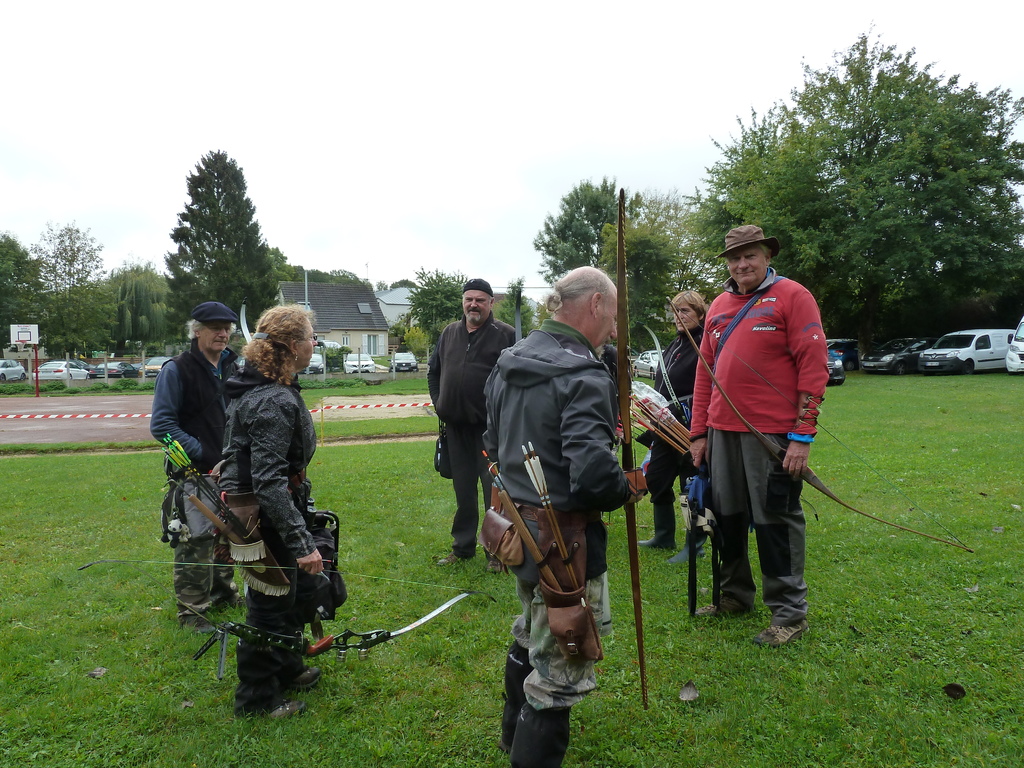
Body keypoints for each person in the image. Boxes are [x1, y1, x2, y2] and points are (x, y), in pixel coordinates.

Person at [483, 266, 646, 768]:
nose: (615, 328)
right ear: (595, 304)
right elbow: (594, 476)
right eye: (613, 315)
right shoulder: (584, 374)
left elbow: (491, 441)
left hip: (516, 531)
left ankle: (511, 736)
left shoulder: (509, 359)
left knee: (532, 626)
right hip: (563, 543)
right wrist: (630, 485)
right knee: (559, 672)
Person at [688, 225, 828, 647]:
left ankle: (789, 613)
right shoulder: (718, 305)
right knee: (726, 518)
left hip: (771, 434)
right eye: (734, 258)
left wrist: (802, 436)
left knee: (775, 522)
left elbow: (813, 366)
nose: (742, 264)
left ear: (767, 256)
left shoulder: (793, 296)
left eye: (750, 255)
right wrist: (698, 433)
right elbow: (705, 374)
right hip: (720, 433)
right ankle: (735, 596)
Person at [218, 304, 324, 719]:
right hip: (264, 515)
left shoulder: (265, 387)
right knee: (268, 604)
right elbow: (268, 482)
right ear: (293, 346)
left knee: (288, 594)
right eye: (311, 337)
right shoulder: (272, 400)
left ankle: (287, 666)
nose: (314, 344)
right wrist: (301, 543)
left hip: (268, 509)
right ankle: (257, 698)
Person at [151, 301, 241, 632]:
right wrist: (202, 452)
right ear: (197, 331)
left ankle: (224, 594)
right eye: (215, 328)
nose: (223, 334)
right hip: (195, 473)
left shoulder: (233, 367)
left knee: (226, 536)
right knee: (196, 540)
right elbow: (161, 426)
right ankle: (192, 614)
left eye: (227, 328)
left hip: (229, 471)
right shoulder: (176, 370)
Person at [428, 278, 516, 570]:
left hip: (490, 432)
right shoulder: (449, 333)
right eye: (469, 299)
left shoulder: (507, 335)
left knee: (494, 494)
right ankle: (462, 547)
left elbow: (517, 381)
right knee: (463, 493)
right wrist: (440, 403)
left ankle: (496, 553)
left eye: (480, 300)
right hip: (456, 430)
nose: (473, 305)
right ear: (463, 302)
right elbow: (433, 372)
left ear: (491, 302)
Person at [637, 290, 708, 564]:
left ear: (700, 314)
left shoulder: (704, 343)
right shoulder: (675, 344)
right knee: (656, 477)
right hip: (665, 425)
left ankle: (695, 544)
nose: (679, 317)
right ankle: (664, 535)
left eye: (686, 311)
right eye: (676, 311)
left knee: (691, 483)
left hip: (690, 425)